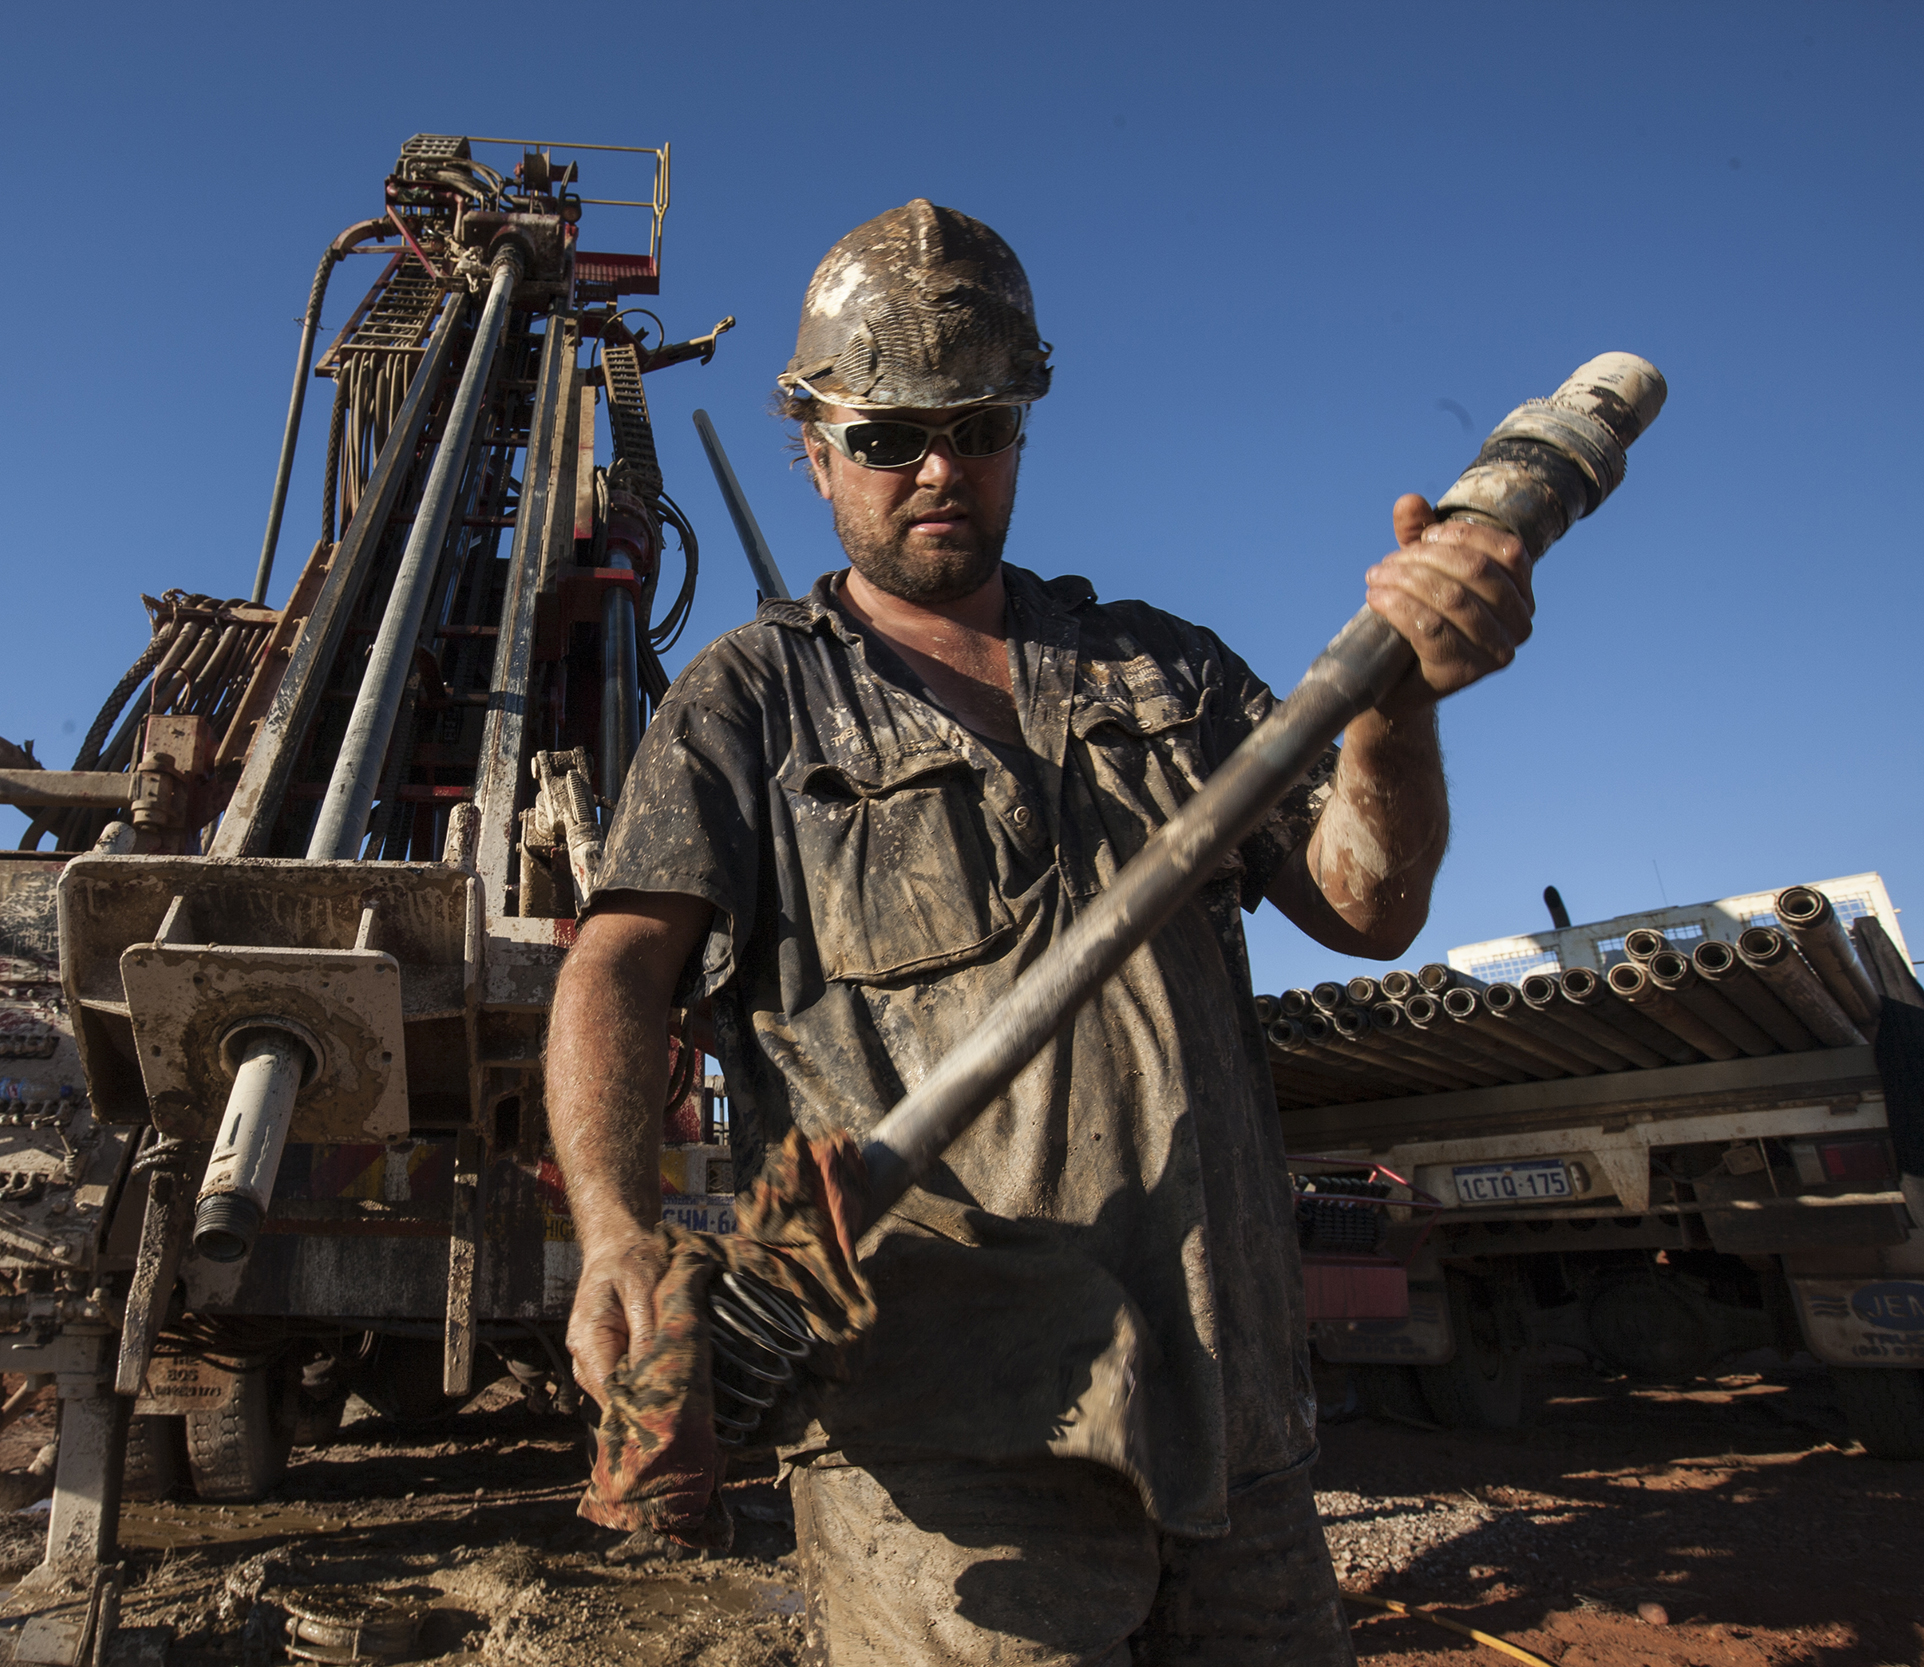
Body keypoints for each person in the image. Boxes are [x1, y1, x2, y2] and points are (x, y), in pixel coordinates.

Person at [545, 200, 1532, 1666]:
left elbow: (1371, 908)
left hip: (1234, 1410)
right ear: (814, 450)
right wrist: (617, 1228)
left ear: (1023, 429)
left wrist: (1398, 707)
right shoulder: (751, 704)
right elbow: (618, 961)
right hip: (951, 1439)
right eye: (888, 436)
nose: (939, 466)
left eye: (980, 422)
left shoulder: (1167, 670)